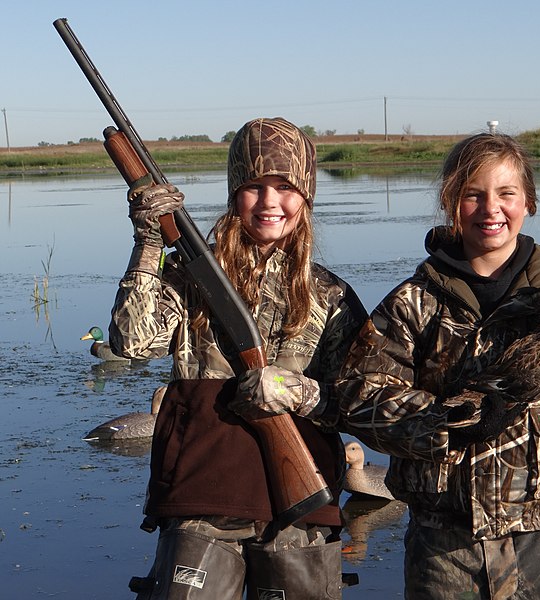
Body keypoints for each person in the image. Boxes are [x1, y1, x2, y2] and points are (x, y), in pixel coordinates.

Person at [337, 132, 540, 599]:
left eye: (506, 194)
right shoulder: (413, 303)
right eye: (472, 195)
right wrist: (450, 423)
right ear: (450, 204)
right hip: (444, 543)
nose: (490, 208)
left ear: (529, 202)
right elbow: (359, 400)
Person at [109, 117, 367, 599]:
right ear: (234, 194)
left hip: (299, 508)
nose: (270, 202)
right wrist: (146, 242)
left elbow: (359, 404)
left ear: (306, 197)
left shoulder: (331, 296)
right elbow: (133, 344)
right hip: (201, 497)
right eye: (254, 186)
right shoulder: (189, 276)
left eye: (286, 187)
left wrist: (299, 391)